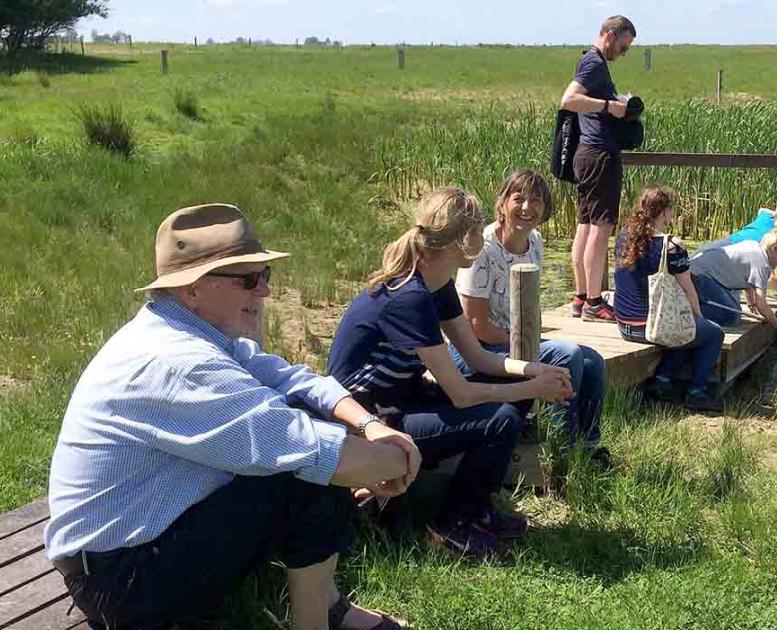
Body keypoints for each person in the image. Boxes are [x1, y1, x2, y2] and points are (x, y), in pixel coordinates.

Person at [44, 203, 421, 630]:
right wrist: (400, 459)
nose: (265, 292)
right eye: (249, 279)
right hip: (119, 582)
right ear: (192, 289)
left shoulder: (183, 329)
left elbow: (290, 377)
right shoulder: (182, 364)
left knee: (310, 446)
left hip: (126, 550)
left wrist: (369, 426)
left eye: (265, 276)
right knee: (303, 471)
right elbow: (307, 448)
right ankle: (320, 621)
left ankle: (329, 610)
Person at [327, 188, 573, 560]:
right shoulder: (408, 296)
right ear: (463, 240)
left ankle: (477, 508)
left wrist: (531, 371)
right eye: (477, 230)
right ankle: (452, 523)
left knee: (513, 391)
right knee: (499, 420)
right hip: (369, 422)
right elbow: (460, 393)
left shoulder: (435, 282)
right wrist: (533, 386)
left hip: (401, 399)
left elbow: (478, 359)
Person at [451, 168, 608, 457]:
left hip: (515, 340)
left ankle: (588, 446)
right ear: (502, 203)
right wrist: (526, 343)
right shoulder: (483, 249)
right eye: (518, 198)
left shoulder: (535, 241)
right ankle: (560, 447)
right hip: (478, 350)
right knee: (568, 355)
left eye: (535, 200)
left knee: (593, 361)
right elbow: (475, 325)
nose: (526, 208)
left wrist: (528, 340)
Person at [614, 186, 725, 412]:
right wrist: (700, 318)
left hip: (624, 325)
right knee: (711, 333)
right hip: (649, 327)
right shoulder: (672, 246)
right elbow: (689, 290)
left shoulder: (624, 234)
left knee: (684, 326)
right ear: (664, 212)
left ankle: (663, 382)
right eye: (672, 209)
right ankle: (696, 392)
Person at [560, 15, 636, 322]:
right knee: (600, 229)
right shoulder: (593, 63)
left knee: (586, 225)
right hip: (599, 155)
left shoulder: (590, 62)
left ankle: (581, 297)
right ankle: (593, 301)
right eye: (624, 45)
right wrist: (610, 107)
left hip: (587, 154)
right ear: (609, 35)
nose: (624, 52)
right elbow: (568, 100)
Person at [690, 230, 777, 328]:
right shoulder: (762, 265)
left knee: (733, 308)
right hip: (701, 275)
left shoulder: (755, 246)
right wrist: (774, 321)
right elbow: (762, 305)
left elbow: (748, 281)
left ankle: (694, 303)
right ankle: (686, 312)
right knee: (731, 317)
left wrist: (751, 304)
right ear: (775, 248)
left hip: (697, 269)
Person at [696, 206, 775, 253]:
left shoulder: (766, 216)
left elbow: (762, 210)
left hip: (735, 246)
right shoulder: (767, 216)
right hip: (732, 244)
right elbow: (762, 210)